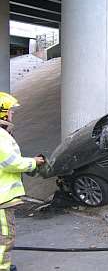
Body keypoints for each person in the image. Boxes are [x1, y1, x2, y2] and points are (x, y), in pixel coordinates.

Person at [0, 92, 46, 271]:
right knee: (5, 235)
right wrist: (33, 162)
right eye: (10, 110)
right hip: (2, 199)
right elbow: (11, 163)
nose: (12, 114)